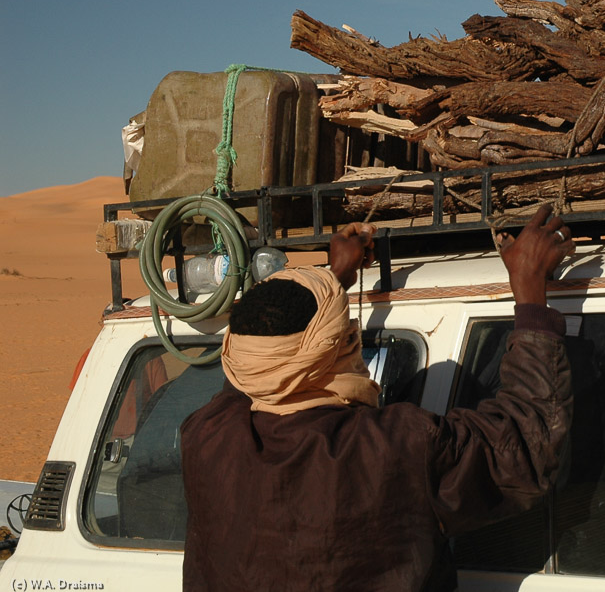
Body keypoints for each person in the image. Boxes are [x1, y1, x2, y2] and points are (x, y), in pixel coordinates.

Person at [181, 204, 575, 591]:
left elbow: (266, 369)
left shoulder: (203, 436)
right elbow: (526, 446)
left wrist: (332, 281)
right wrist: (530, 296)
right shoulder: (398, 446)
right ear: (337, 346)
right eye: (345, 333)